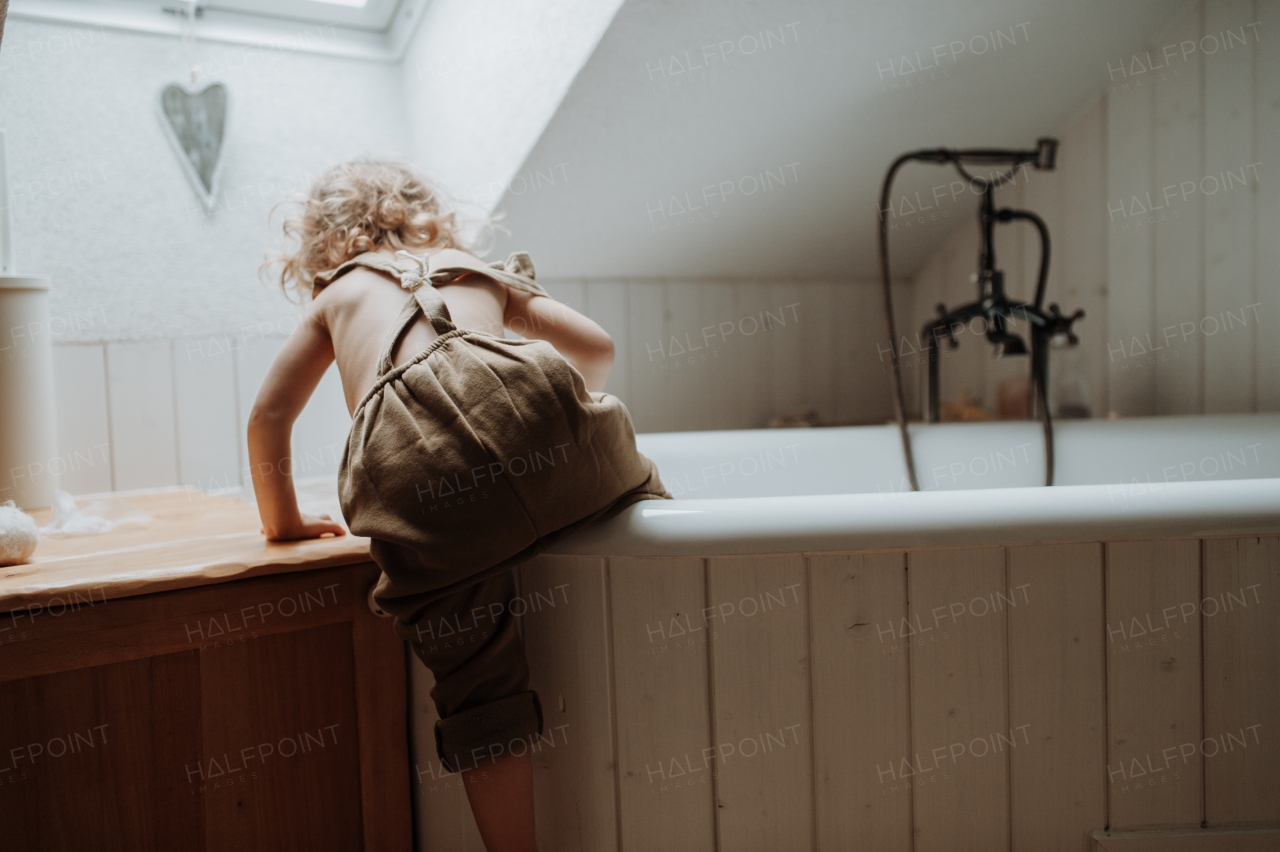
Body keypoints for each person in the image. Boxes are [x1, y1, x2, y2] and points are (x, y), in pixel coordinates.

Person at [248, 160, 669, 852]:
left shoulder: (336, 296)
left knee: (478, 688)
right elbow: (598, 349)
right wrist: (553, 430)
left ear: (319, 248)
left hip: (416, 474)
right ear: (427, 218)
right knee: (642, 489)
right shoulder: (469, 266)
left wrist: (284, 524)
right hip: (539, 423)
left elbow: (268, 418)